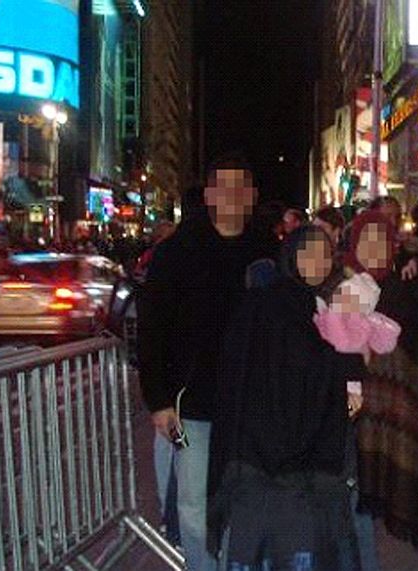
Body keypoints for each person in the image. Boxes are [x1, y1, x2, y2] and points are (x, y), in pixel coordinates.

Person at [137, 157, 268, 571]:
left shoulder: (268, 254)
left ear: (252, 197)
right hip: (190, 405)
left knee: (245, 500)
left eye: (240, 188)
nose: (231, 196)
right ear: (209, 194)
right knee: (192, 502)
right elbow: (152, 329)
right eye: (222, 187)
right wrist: (158, 400)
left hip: (252, 406)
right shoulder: (176, 253)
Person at [209, 226, 357, 570]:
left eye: (324, 254)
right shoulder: (271, 304)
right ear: (291, 257)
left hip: (280, 460)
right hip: (274, 464)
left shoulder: (316, 306)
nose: (318, 261)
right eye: (308, 253)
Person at [341, 209, 418, 554]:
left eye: (383, 240)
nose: (375, 248)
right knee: (349, 500)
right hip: (349, 410)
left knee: (363, 496)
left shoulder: (403, 285)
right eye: (367, 239)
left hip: (392, 408)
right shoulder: (339, 284)